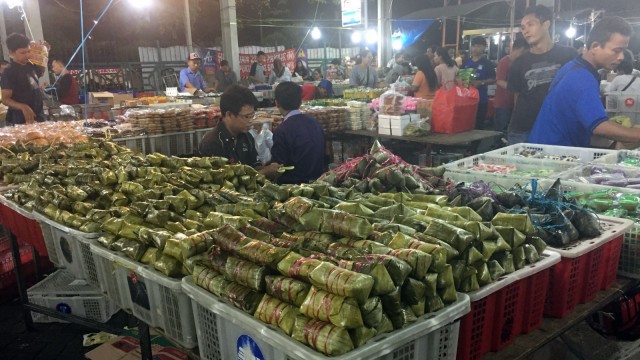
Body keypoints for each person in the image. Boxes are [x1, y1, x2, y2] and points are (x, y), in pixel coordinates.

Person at [528, 17, 636, 147]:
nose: (621, 57)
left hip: (547, 148)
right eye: (616, 50)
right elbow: (599, 126)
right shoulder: (581, 78)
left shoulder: (574, 66)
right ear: (595, 46)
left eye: (623, 51)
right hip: (551, 155)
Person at [506, 5, 577, 144]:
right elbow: (517, 98)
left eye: (530, 24)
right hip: (523, 131)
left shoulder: (569, 55)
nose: (526, 31)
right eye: (523, 27)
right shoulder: (519, 63)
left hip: (559, 128)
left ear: (546, 24)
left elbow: (576, 90)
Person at [198, 85, 280, 177]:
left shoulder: (247, 137)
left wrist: (267, 168)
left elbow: (253, 168)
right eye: (246, 117)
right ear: (229, 115)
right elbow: (225, 182)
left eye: (252, 116)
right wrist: (264, 172)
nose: (250, 121)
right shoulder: (213, 142)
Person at [270, 82, 325, 184]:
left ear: (276, 103)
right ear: (300, 102)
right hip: (319, 184)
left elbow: (278, 168)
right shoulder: (315, 123)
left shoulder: (282, 131)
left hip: (294, 189)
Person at [0, 33, 45, 125]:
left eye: (28, 51)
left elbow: (41, 73)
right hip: (19, 120)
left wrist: (43, 53)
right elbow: (5, 99)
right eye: (23, 53)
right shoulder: (9, 71)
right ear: (11, 53)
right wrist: (23, 107)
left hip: (38, 116)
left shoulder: (30, 65)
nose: (27, 55)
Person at [494, 38, 529, 133]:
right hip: (503, 104)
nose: (524, 55)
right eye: (523, 52)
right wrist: (516, 88)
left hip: (516, 104)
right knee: (501, 132)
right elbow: (499, 81)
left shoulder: (522, 63)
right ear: (517, 49)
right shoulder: (504, 61)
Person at [465, 37, 496, 129]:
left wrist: (481, 82)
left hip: (481, 99)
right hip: (467, 99)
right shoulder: (466, 62)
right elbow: (461, 78)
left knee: (478, 124)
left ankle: (476, 143)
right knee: (466, 123)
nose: (475, 48)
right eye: (473, 46)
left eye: (478, 46)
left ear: (484, 48)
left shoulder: (487, 63)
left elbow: (494, 79)